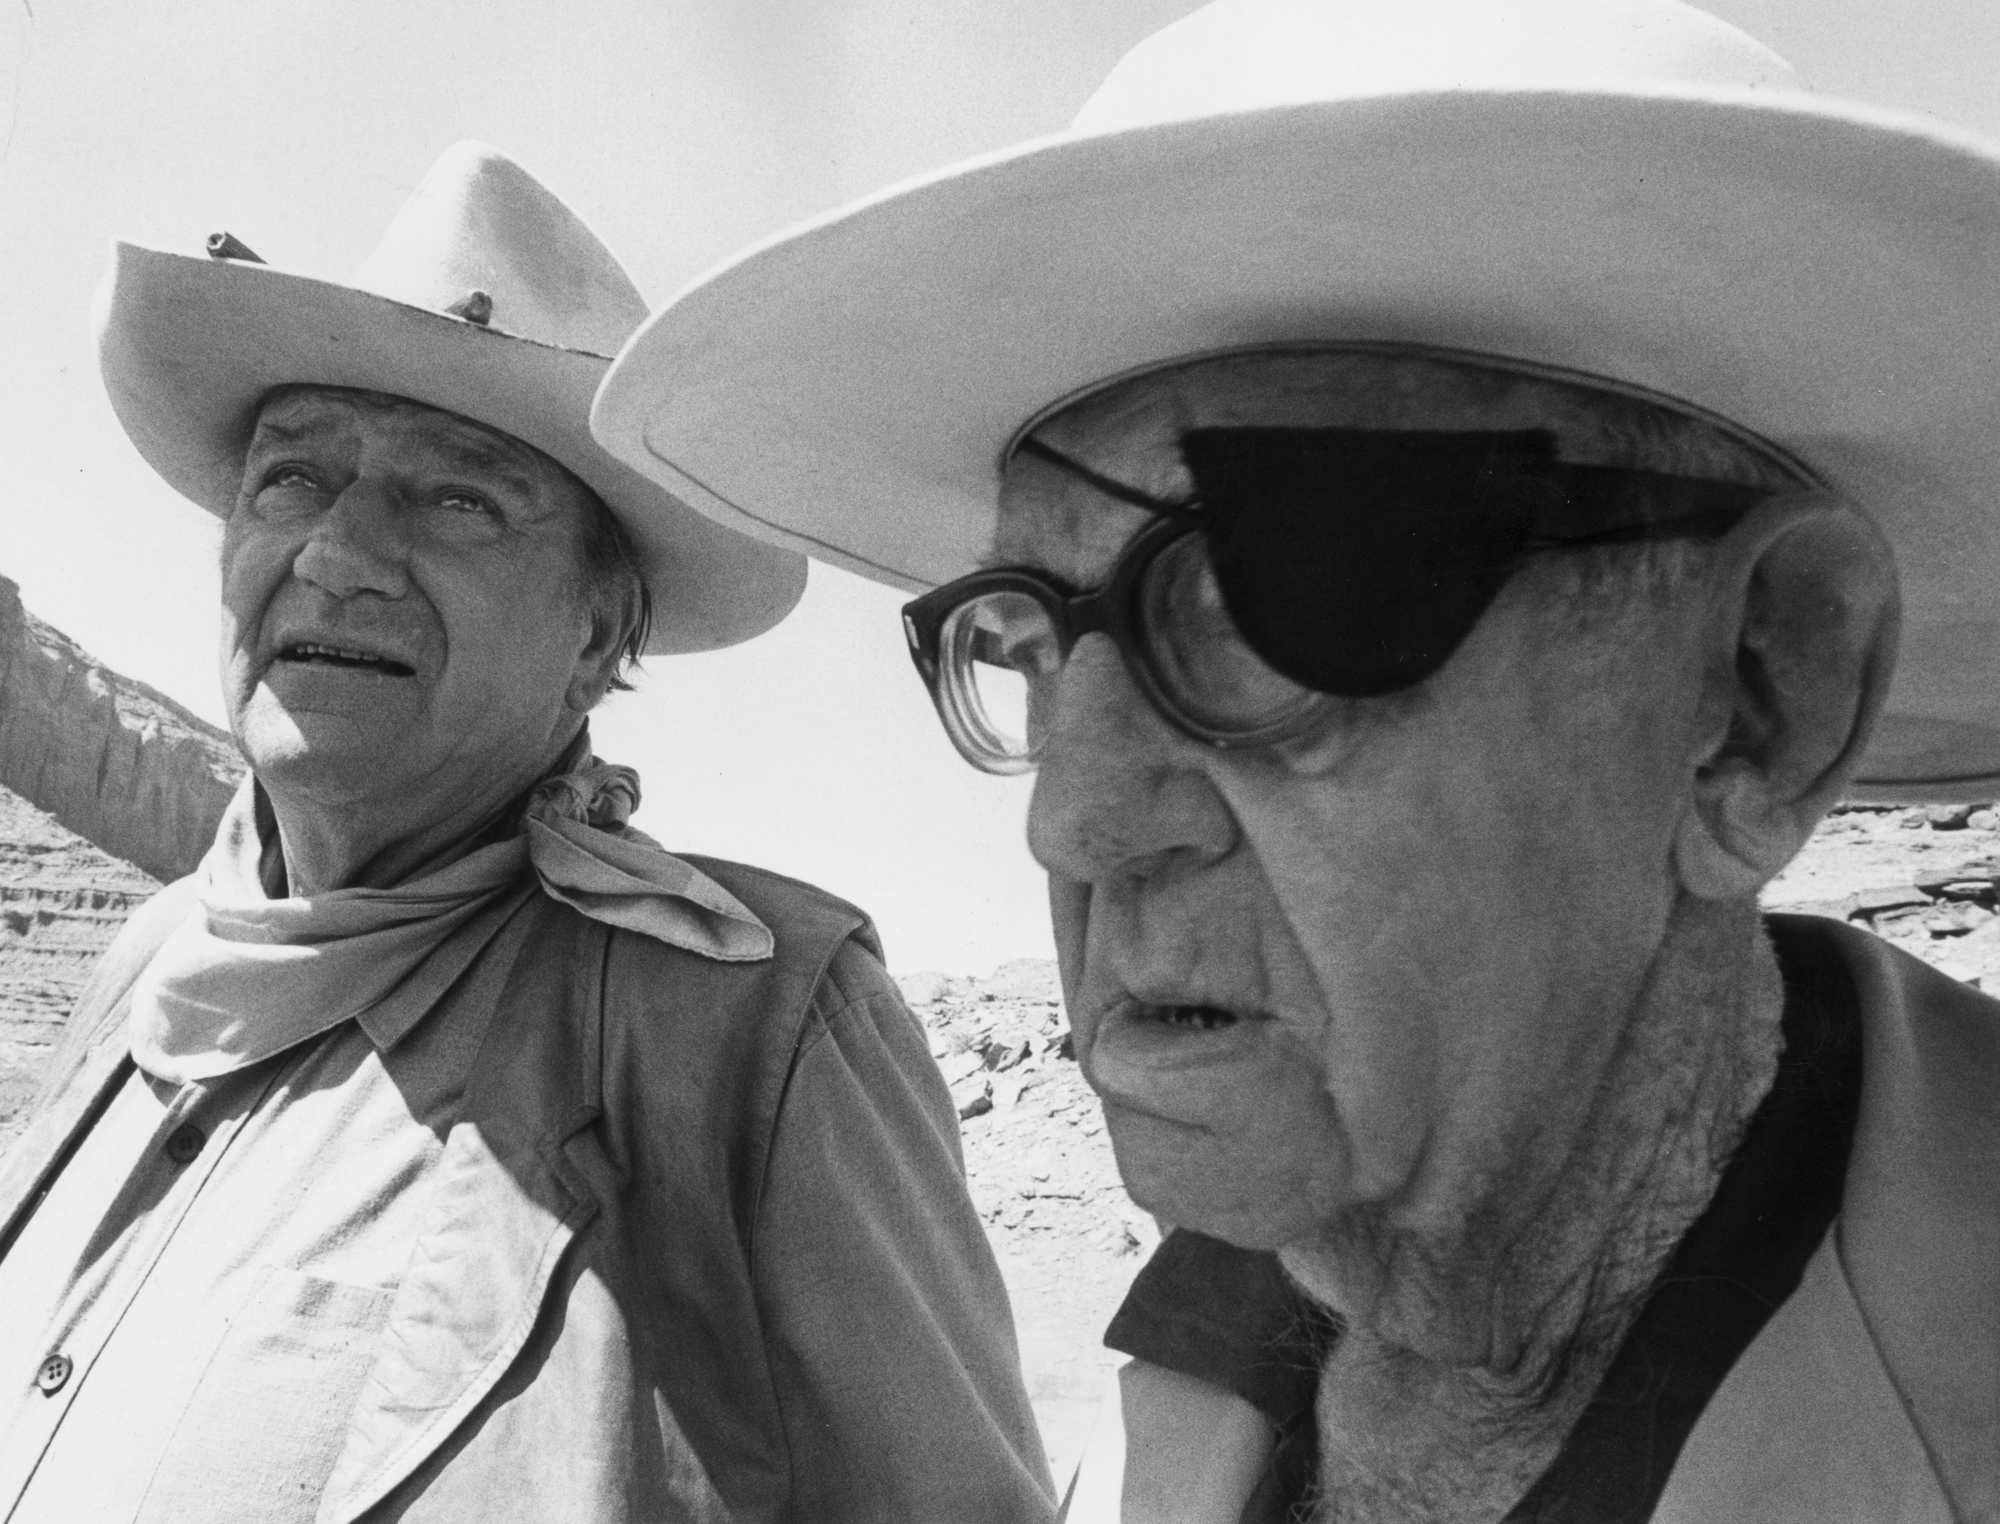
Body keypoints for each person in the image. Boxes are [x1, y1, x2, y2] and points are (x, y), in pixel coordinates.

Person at [592, 0, 2000, 1518]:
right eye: (1034, 646)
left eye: (1267, 612)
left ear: (1759, 697)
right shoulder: (1204, 1370)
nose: (1078, 822)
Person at [0, 143, 1056, 1523]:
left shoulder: (744, 1035)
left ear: (598, 633)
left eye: (457, 500)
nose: (335, 554)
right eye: (292, 480)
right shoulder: (148, 967)